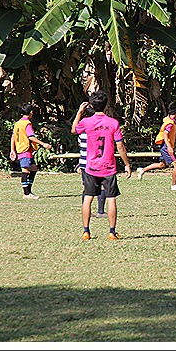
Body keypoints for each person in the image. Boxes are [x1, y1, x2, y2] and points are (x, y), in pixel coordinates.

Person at [72, 91, 132, 241]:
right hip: (109, 168)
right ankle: (112, 232)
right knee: (111, 198)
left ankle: (86, 231)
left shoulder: (86, 122)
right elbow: (120, 147)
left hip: (91, 166)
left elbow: (74, 130)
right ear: (106, 105)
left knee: (88, 197)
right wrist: (127, 165)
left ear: (91, 105)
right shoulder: (113, 123)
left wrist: (79, 112)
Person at [137, 102, 176, 190]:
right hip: (167, 146)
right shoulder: (170, 123)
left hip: (164, 146)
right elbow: (166, 134)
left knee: (162, 165)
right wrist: (169, 147)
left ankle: (143, 170)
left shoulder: (168, 119)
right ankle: (174, 185)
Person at [9, 103, 53, 199]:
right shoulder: (27, 123)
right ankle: (26, 194)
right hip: (25, 149)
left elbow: (13, 137)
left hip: (22, 149)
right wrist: (43, 144)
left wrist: (12, 150)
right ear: (31, 112)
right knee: (25, 170)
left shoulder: (18, 123)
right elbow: (31, 137)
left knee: (33, 169)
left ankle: (28, 191)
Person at [78, 106, 107, 217]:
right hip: (97, 162)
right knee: (102, 186)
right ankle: (100, 211)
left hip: (84, 163)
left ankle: (85, 211)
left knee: (87, 188)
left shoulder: (82, 131)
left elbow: (80, 144)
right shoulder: (98, 130)